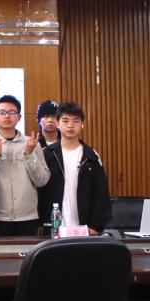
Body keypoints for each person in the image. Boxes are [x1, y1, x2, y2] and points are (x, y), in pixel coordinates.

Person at [40, 101, 112, 235]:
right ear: (57, 123)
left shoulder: (91, 156)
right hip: (53, 227)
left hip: (84, 229)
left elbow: (101, 193)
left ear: (82, 124)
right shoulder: (47, 154)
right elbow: (39, 191)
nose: (70, 125)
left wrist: (96, 226)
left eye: (76, 121)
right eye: (65, 121)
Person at [0, 94, 50, 237]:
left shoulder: (32, 143)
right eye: (2, 112)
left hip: (27, 217)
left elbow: (42, 181)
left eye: (12, 112)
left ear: (19, 117)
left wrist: (29, 154)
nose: (7, 116)